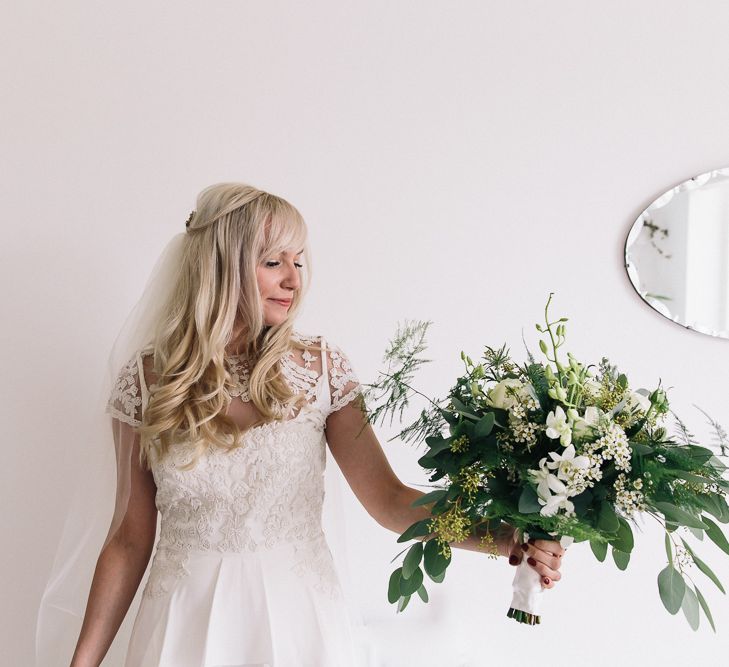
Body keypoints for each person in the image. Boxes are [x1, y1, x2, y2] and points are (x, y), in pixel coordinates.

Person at [45, 183, 565, 666]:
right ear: (220, 266)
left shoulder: (322, 370)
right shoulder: (149, 379)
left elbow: (390, 501)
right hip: (183, 625)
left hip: (298, 625)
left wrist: (505, 537)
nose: (294, 278)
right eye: (274, 261)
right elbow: (129, 539)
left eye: (298, 260)